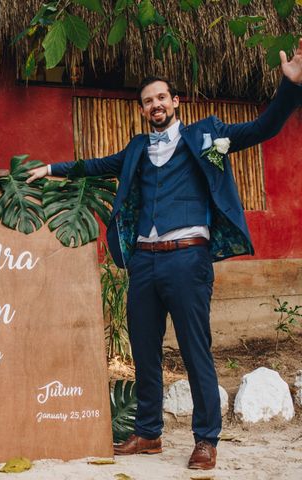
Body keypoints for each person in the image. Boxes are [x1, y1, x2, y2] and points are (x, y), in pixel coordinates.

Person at [27, 40, 302, 470]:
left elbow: (263, 128)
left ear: (176, 102)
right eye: (147, 101)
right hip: (144, 262)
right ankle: (149, 434)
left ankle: (206, 439)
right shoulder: (137, 148)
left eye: (161, 97)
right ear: (142, 110)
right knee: (144, 351)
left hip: (187, 258)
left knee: (195, 351)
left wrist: (289, 88)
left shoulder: (206, 136)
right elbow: (98, 165)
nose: (155, 105)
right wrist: (50, 169)